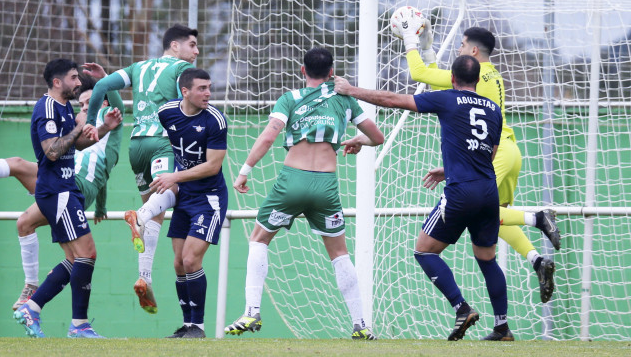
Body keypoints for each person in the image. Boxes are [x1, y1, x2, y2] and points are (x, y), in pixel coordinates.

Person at [335, 55, 513, 341]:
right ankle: (503, 328)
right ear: (478, 81)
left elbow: (392, 100)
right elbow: (488, 153)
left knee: (425, 251)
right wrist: (450, 168)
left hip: (462, 191)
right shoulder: (494, 108)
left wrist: (350, 90)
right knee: (487, 258)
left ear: (453, 79)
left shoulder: (448, 99)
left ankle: (461, 307)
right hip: (488, 190)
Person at [224, 48, 385, 340]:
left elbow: (269, 135)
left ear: (302, 70)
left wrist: (244, 171)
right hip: (326, 185)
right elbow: (378, 137)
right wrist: (357, 140)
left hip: (291, 182)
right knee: (339, 254)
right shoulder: (345, 99)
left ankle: (251, 311)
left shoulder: (290, 98)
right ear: (332, 73)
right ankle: (361, 325)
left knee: (259, 239)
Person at [0, 66, 124, 312]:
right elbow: (100, 170)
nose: (85, 108)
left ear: (105, 100)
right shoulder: (85, 123)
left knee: (20, 165)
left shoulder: (110, 117)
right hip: (70, 184)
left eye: (90, 102)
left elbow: (111, 97)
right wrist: (102, 206)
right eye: (81, 105)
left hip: (73, 186)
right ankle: (31, 291)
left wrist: (105, 77)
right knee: (24, 223)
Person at [399, 16, 559, 303]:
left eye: (461, 45)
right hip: (509, 150)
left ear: (473, 51)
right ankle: (536, 259)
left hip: (494, 154)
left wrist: (411, 41)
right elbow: (445, 94)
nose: (459, 50)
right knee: (495, 217)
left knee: (484, 212)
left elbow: (419, 74)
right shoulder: (492, 74)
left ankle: (537, 217)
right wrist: (429, 48)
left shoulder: (473, 74)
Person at [85, 24, 198, 314]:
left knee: (156, 212)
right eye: (193, 45)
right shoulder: (180, 71)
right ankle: (139, 216)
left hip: (136, 146)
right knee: (173, 188)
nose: (196, 52)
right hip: (162, 142)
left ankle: (144, 277)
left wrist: (89, 121)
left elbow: (100, 87)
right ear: (175, 46)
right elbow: (183, 105)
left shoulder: (139, 67)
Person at [14, 58, 121, 338]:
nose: (78, 83)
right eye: (74, 78)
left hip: (65, 189)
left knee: (76, 259)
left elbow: (75, 143)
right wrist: (79, 126)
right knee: (87, 254)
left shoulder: (65, 106)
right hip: (57, 191)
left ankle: (32, 308)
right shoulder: (47, 107)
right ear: (57, 82)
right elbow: (52, 151)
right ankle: (78, 324)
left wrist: (105, 128)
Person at [150, 68, 229, 339]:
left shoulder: (215, 120)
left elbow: (213, 166)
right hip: (183, 197)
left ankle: (199, 326)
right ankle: (187, 325)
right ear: (185, 92)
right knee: (178, 264)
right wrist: (163, 172)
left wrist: (174, 176)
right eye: (201, 88)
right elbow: (159, 145)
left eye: (209, 87)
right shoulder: (167, 112)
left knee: (191, 259)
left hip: (209, 198)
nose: (208, 93)